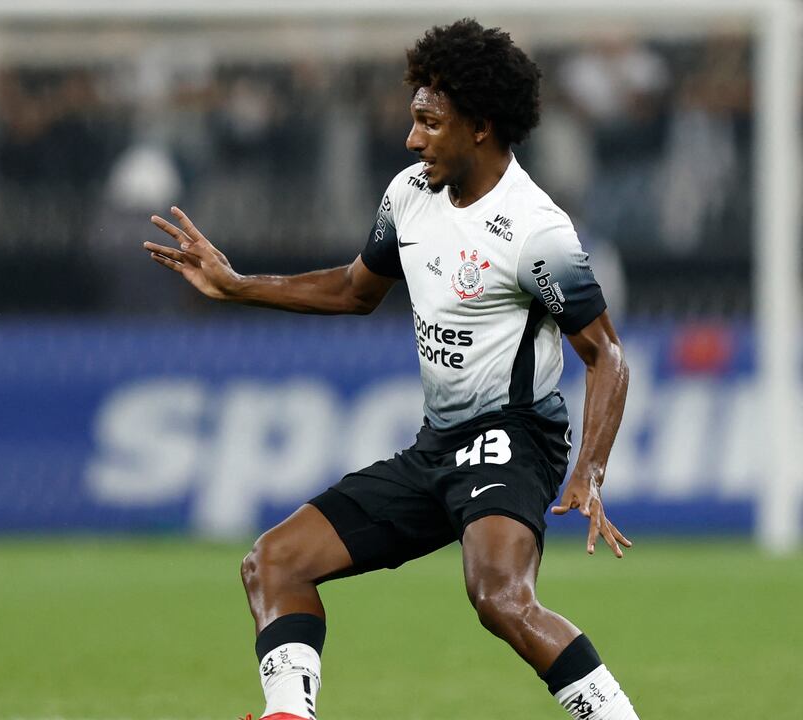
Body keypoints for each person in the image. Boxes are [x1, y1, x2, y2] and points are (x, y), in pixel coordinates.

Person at [143, 19, 639, 720]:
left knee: (499, 597)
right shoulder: (410, 193)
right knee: (274, 562)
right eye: (414, 121)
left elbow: (606, 353)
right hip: (437, 445)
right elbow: (355, 290)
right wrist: (238, 284)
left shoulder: (535, 231)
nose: (412, 139)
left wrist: (589, 469)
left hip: (515, 437)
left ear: (481, 126)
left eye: (429, 123)